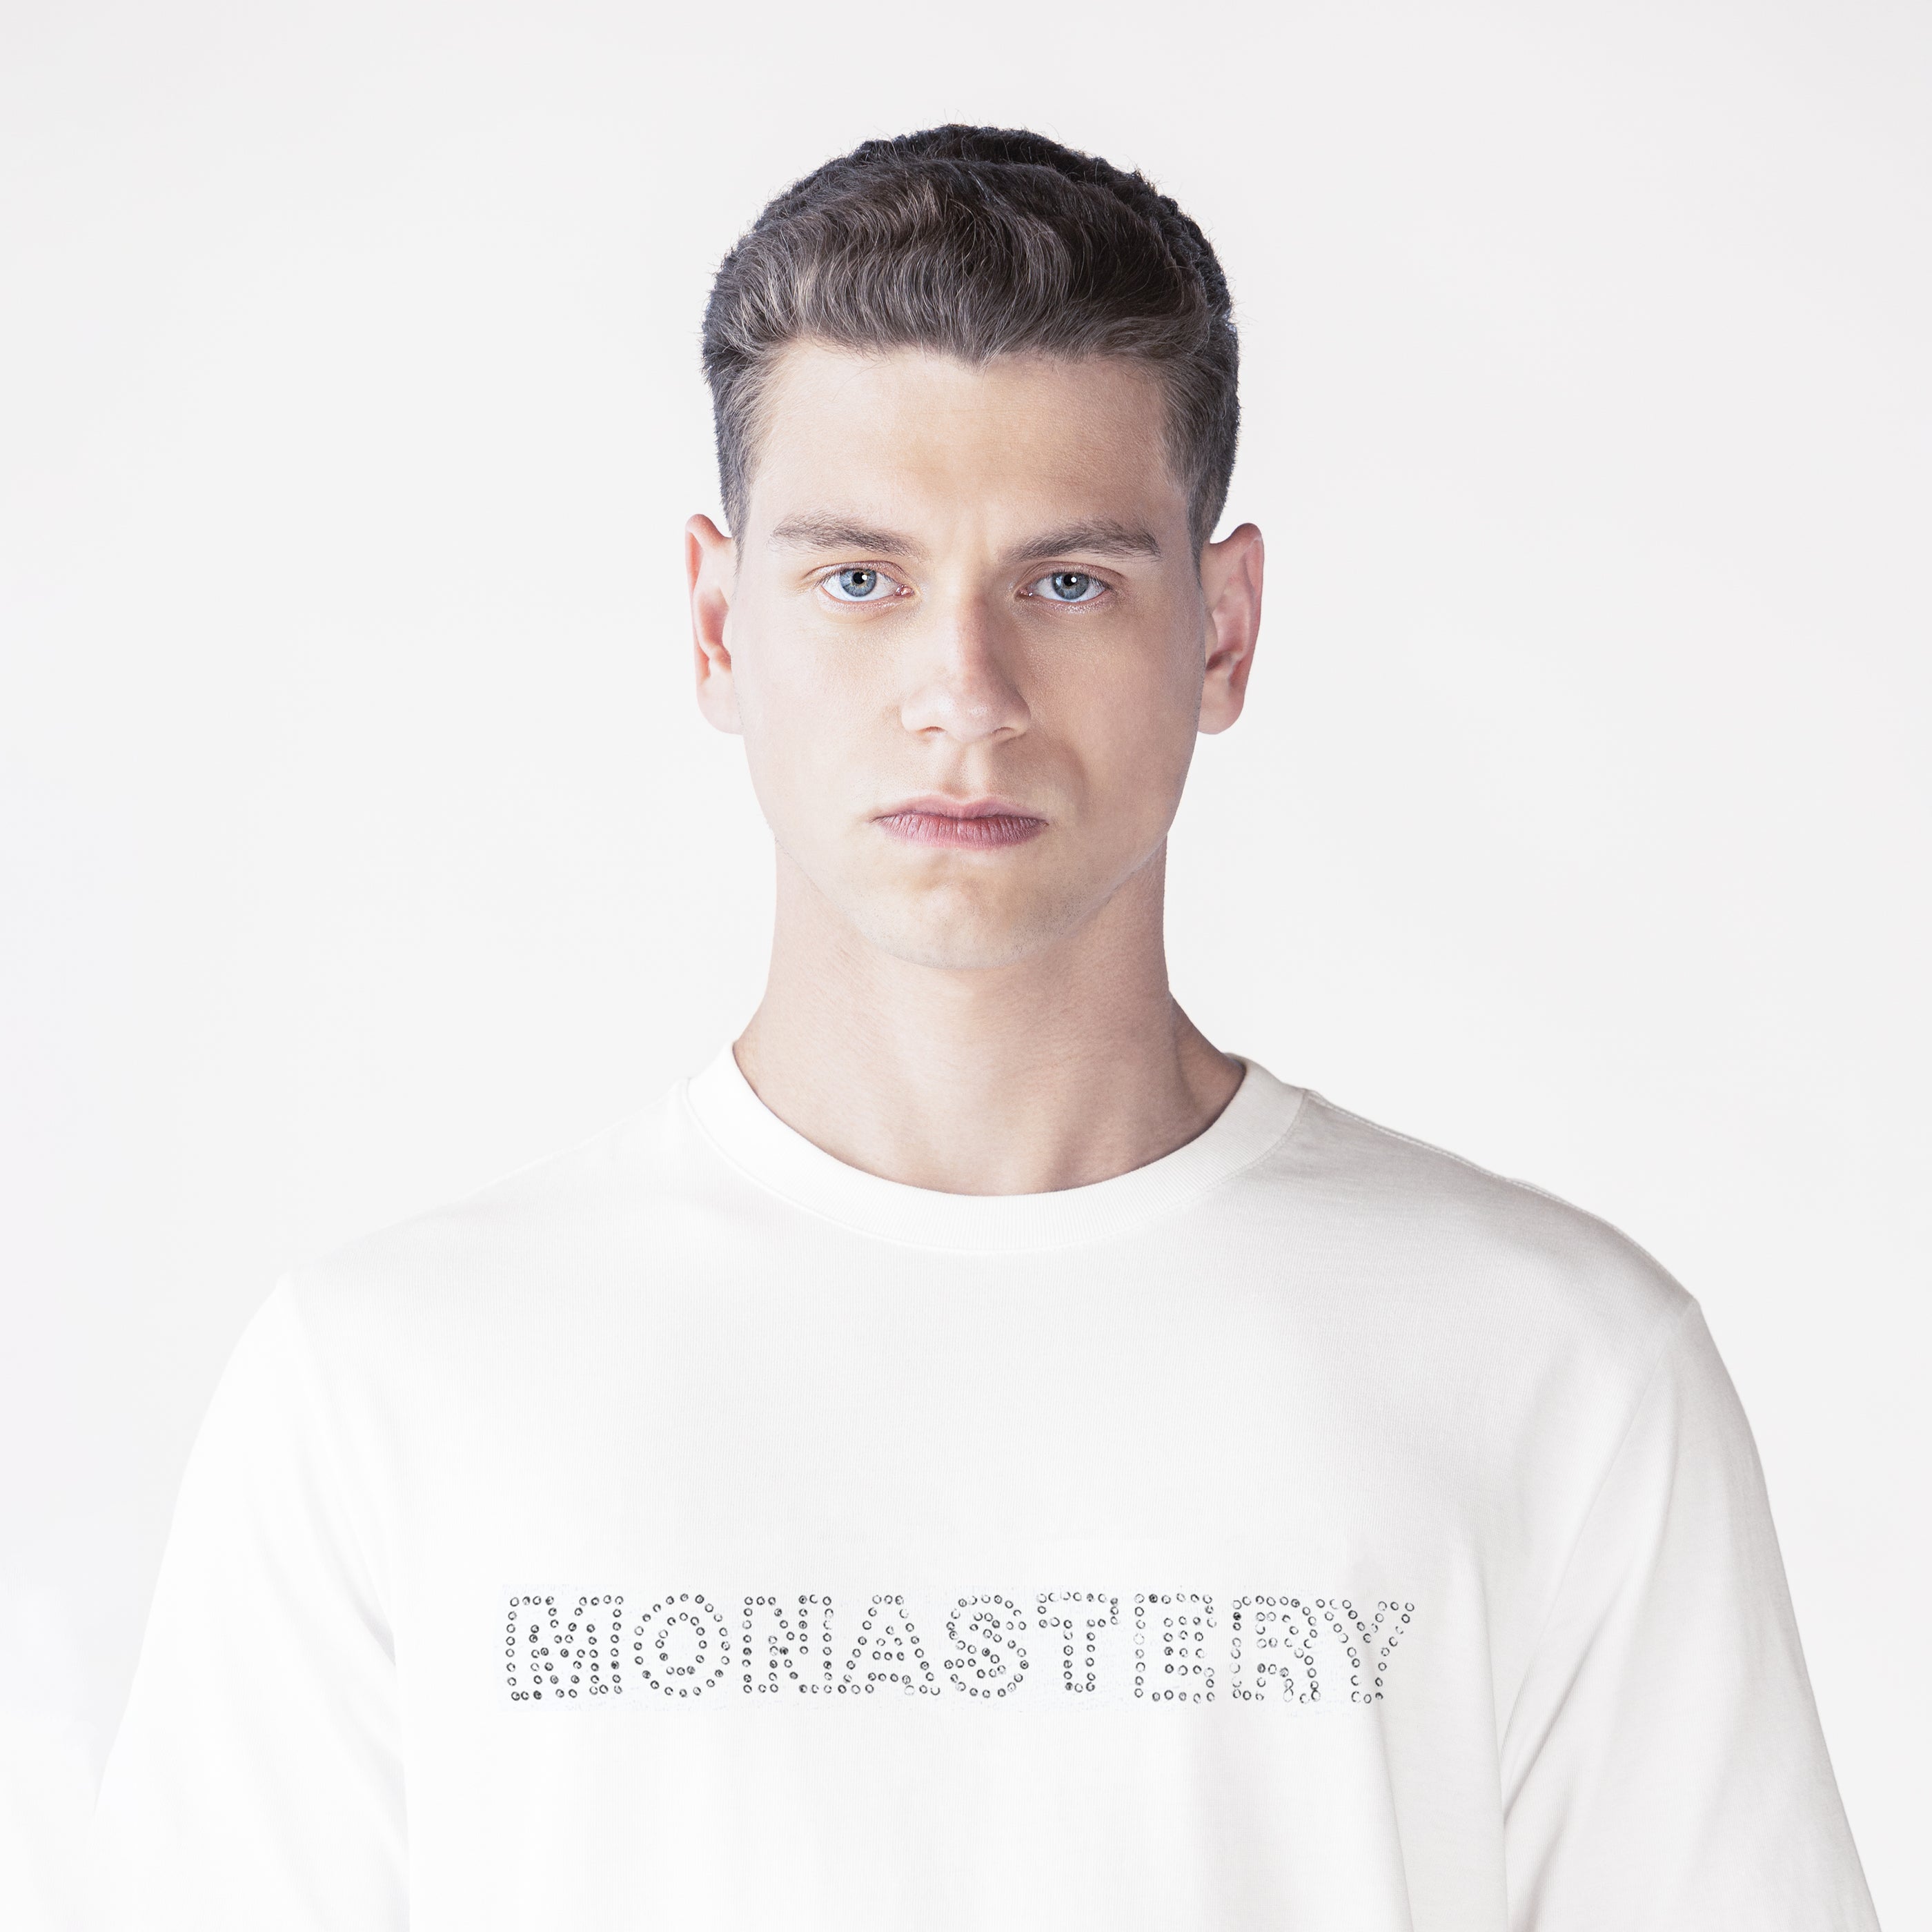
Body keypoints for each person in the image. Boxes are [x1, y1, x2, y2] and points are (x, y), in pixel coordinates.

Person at [89, 125, 1878, 1931]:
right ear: (718, 625)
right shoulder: (393, 1385)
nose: (966, 694)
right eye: (861, 579)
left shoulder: (1556, 1369)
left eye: (1068, 582)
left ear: (1224, 632)